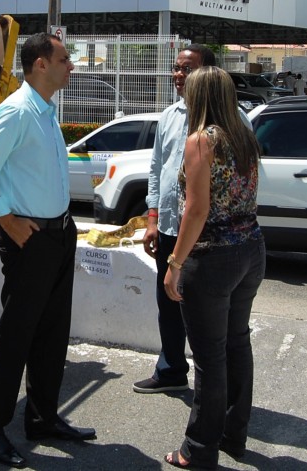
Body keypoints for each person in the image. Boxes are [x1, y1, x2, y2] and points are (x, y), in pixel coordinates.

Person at [0, 33, 95, 469]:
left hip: (57, 234)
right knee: (16, 337)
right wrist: (5, 217)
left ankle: (42, 418)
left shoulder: (44, 111)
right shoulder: (18, 111)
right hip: (30, 239)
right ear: (40, 64)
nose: (70, 66)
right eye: (64, 59)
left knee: (52, 333)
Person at [162, 66, 266, 469]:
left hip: (214, 258)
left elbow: (197, 209)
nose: (183, 93)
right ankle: (232, 436)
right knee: (238, 343)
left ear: (199, 95)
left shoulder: (200, 142)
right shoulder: (244, 138)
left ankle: (198, 450)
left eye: (188, 88)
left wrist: (175, 262)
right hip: (251, 248)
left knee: (210, 357)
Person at [135, 44, 217, 394]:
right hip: (169, 228)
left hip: (206, 233)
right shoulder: (168, 117)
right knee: (168, 303)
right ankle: (171, 371)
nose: (178, 75)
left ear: (208, 74)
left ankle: (213, 383)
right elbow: (157, 171)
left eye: (187, 69)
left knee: (206, 311)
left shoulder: (225, 121)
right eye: (176, 68)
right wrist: (152, 218)